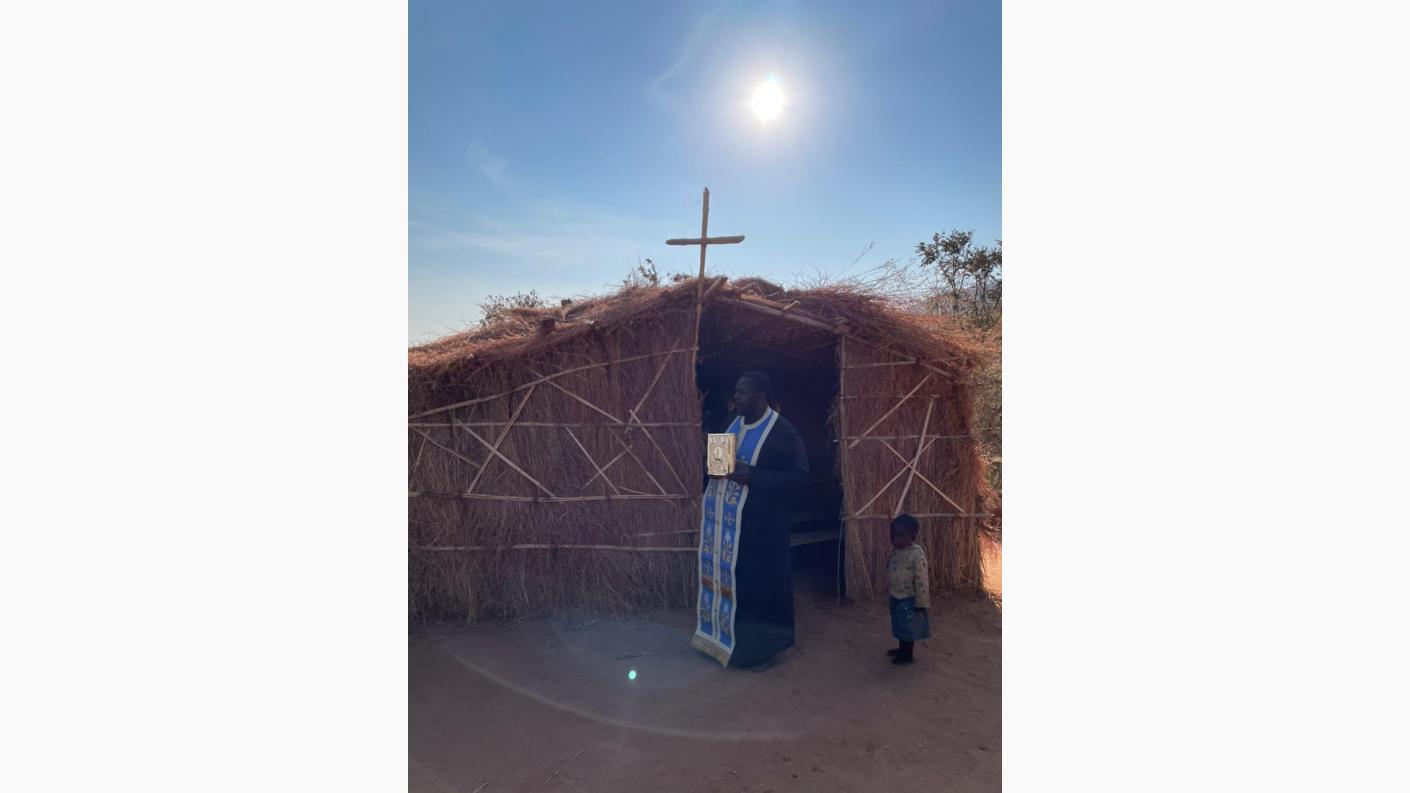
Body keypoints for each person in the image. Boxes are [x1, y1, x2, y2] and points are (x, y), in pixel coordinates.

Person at [691, 371, 809, 671]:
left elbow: (800, 478)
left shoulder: (783, 433)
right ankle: (720, 639)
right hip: (727, 530)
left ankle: (760, 652)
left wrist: (753, 477)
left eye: (742, 392)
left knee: (759, 590)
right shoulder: (730, 423)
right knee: (733, 585)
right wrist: (713, 464)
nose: (736, 397)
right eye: (736, 391)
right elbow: (717, 466)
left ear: (761, 396)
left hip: (762, 532)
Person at [887, 514, 931, 665]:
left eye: (900, 536)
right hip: (896, 596)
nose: (896, 539)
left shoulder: (917, 554)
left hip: (909, 599)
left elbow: (922, 579)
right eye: (893, 535)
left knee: (908, 628)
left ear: (913, 535)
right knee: (900, 625)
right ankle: (902, 650)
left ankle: (907, 655)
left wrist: (921, 602)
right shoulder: (895, 550)